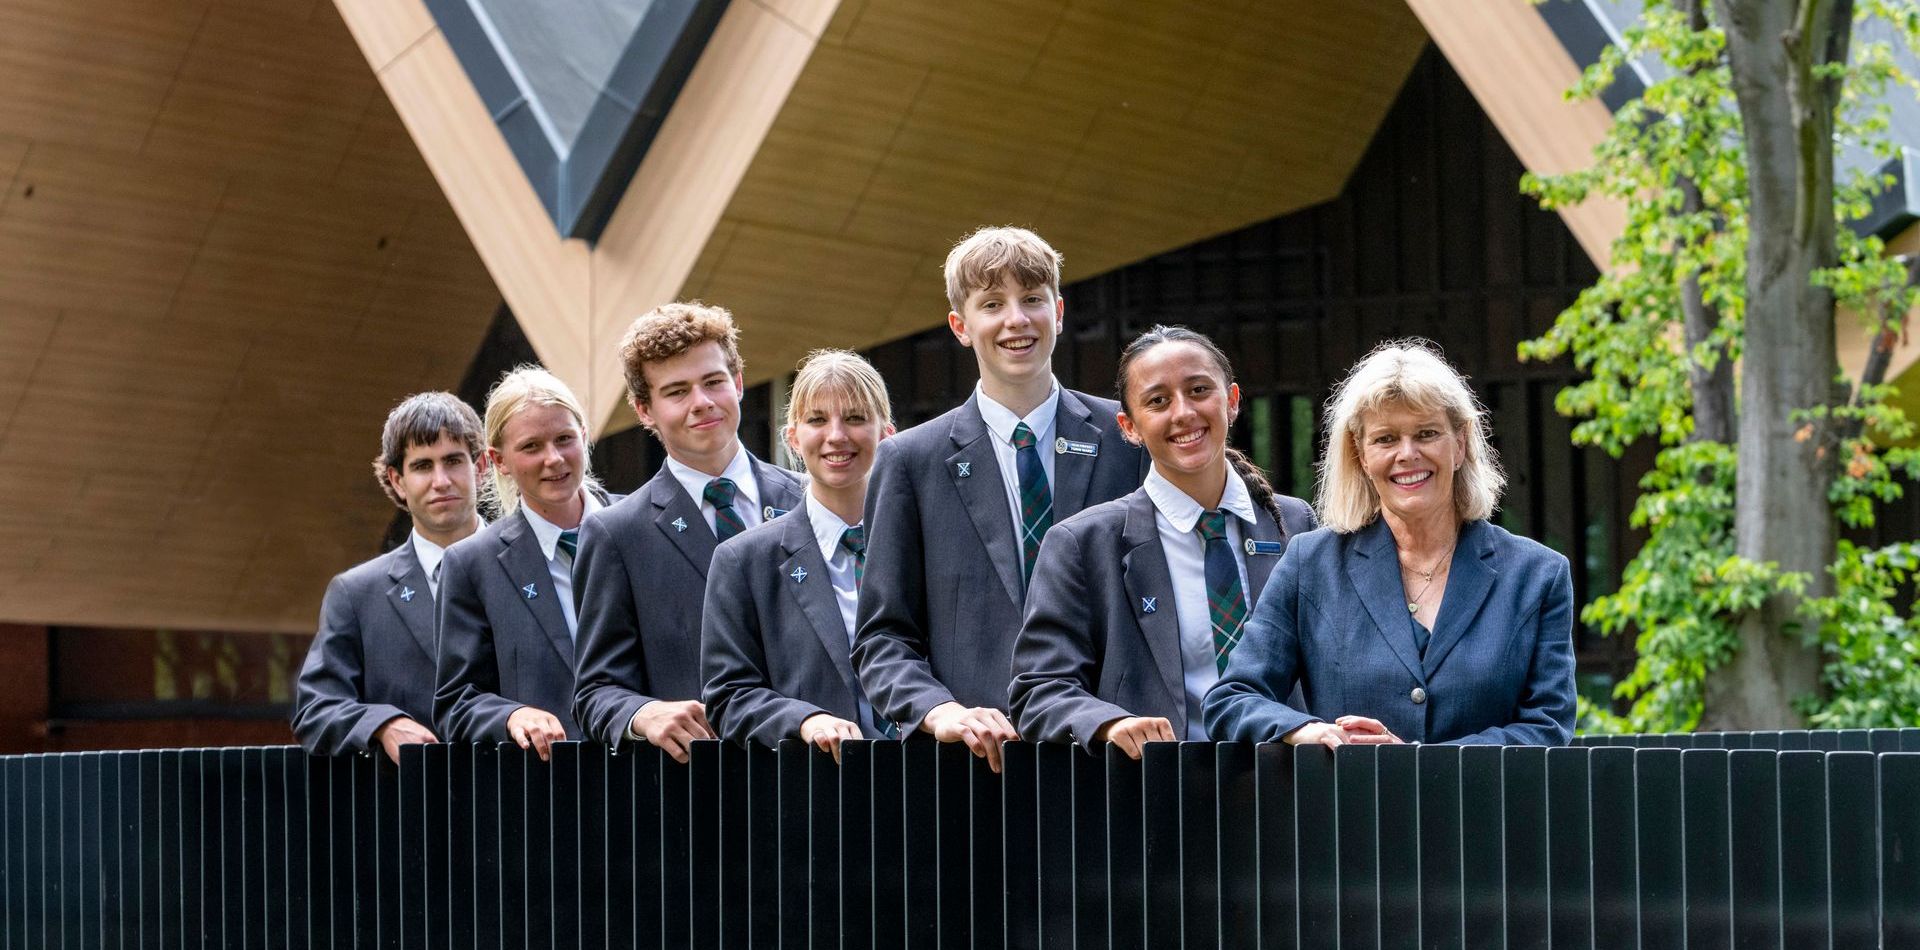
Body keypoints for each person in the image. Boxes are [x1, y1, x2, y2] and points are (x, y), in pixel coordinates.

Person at [853, 226, 1146, 773]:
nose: (1016, 319)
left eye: (1032, 299)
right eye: (993, 304)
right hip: (972, 768)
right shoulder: (910, 462)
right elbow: (883, 638)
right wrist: (938, 710)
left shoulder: (1129, 438)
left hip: (1115, 756)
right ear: (961, 327)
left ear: (1058, 312)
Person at [1203, 340, 1576, 747]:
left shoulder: (1538, 575)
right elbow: (1231, 700)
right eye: (1385, 439)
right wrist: (1305, 730)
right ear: (1360, 455)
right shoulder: (1309, 564)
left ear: (1461, 444)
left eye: (1427, 433)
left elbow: (1548, 727)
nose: (1407, 454)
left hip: (1485, 810)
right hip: (1350, 809)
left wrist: (1415, 762)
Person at [1010, 327, 1315, 758]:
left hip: (1290, 794)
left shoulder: (1294, 524)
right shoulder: (1083, 544)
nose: (1184, 412)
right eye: (1158, 401)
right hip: (1155, 800)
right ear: (1129, 427)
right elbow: (1038, 691)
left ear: (1231, 400)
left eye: (1198, 390)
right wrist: (1109, 722)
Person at [572, 302, 806, 761]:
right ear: (645, 410)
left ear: (737, 383)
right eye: (677, 392)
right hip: (700, 795)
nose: (702, 402)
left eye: (714, 382)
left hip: (821, 781)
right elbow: (596, 692)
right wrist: (642, 714)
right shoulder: (615, 534)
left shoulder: (808, 499)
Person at [701, 349, 895, 761]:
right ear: (793, 436)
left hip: (934, 786)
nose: (837, 435)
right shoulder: (744, 562)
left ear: (887, 434)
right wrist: (804, 720)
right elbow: (728, 696)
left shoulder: (925, 545)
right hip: (815, 794)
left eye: (856, 418)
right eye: (818, 420)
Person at [292, 392, 486, 761]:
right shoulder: (357, 594)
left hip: (528, 804)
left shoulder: (531, 566)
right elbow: (316, 709)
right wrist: (383, 725)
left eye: (453, 461)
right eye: (423, 466)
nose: (441, 481)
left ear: (480, 468)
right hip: (413, 808)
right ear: (397, 481)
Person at [434, 366, 611, 760]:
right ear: (499, 460)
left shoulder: (644, 527)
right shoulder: (471, 565)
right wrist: (511, 715)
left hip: (658, 780)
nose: (554, 459)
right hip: (547, 791)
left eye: (565, 439)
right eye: (531, 447)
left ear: (584, 437)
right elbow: (457, 703)